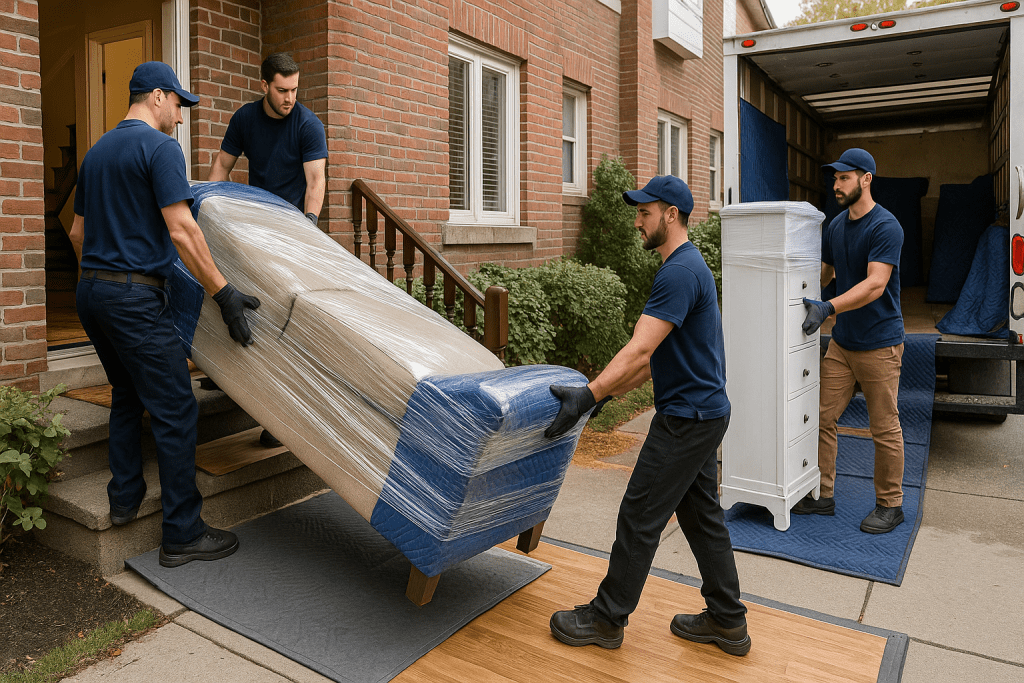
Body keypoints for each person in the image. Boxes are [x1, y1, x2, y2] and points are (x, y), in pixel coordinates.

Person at [545, 175, 750, 657]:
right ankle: (727, 621)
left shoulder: (679, 272)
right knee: (701, 518)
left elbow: (638, 352)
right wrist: (600, 398)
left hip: (686, 419)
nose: (637, 221)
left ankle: (606, 618)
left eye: (645, 212)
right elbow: (650, 361)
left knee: (640, 515)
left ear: (670, 215)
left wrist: (587, 395)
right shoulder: (685, 267)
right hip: (704, 413)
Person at [69, 61, 261, 568]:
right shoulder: (160, 149)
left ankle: (124, 498)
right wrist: (223, 293)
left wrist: (102, 278)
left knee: (126, 391)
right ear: (157, 96)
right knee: (176, 407)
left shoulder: (95, 153)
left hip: (91, 293)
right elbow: (182, 229)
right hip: (133, 299)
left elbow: (77, 235)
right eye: (178, 104)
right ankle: (182, 532)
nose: (180, 116)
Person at [208, 51, 328, 448]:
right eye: (282, 90)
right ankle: (227, 373)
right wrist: (211, 212)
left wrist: (308, 225)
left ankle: (280, 420)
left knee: (283, 319)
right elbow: (221, 166)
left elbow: (316, 181)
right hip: (252, 227)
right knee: (239, 300)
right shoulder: (245, 119)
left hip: (292, 232)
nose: (290, 97)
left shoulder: (307, 125)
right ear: (264, 85)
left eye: (294, 89)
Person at [798, 148, 906, 535]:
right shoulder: (836, 226)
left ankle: (890, 505)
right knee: (821, 416)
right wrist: (793, 297)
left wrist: (827, 307)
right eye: (835, 178)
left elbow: (875, 284)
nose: (836, 184)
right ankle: (823, 494)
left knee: (884, 427)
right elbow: (825, 273)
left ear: (866, 179)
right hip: (843, 344)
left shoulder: (886, 226)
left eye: (844, 177)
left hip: (880, 343)